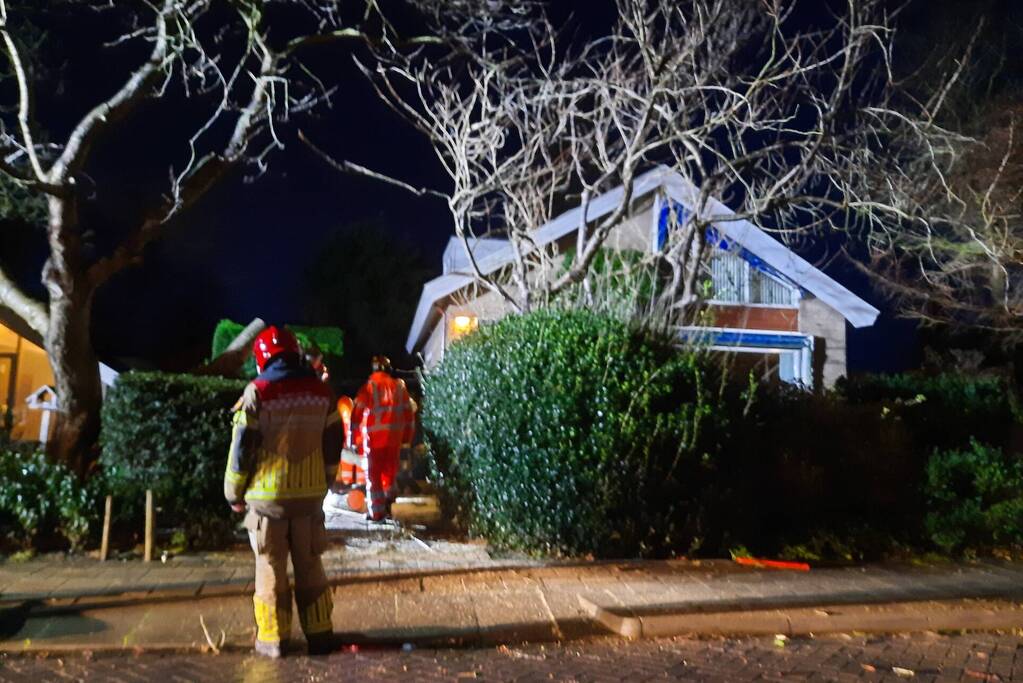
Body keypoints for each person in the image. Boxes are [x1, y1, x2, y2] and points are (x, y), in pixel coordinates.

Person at [224, 325, 341, 658]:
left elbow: (242, 448)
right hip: (309, 501)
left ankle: (274, 641)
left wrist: (234, 493)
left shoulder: (257, 391)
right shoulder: (322, 393)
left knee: (271, 569)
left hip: (267, 504)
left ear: (262, 359)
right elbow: (334, 442)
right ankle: (320, 636)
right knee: (311, 567)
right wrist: (325, 481)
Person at [352, 355, 416, 521]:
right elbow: (408, 414)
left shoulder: (369, 386)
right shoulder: (400, 387)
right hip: (394, 440)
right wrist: (406, 438)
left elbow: (357, 413)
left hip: (373, 441)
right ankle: (388, 503)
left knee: (373, 477)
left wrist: (353, 439)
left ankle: (377, 512)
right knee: (390, 474)